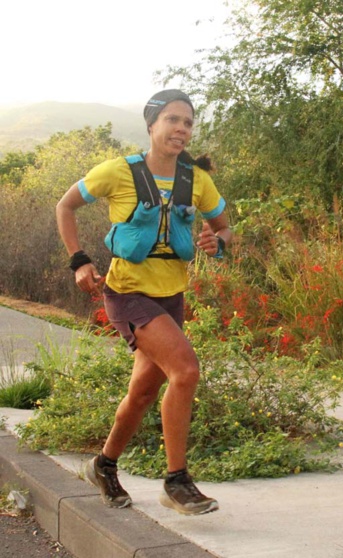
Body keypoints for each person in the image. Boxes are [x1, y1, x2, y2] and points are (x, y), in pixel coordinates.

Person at [55, 89, 232, 516]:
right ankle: (177, 481)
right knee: (186, 371)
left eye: (188, 123)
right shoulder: (118, 172)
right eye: (173, 120)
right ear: (151, 124)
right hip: (128, 293)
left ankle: (104, 464)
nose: (181, 129)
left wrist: (217, 242)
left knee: (143, 392)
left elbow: (225, 229)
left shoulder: (197, 180)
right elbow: (66, 205)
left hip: (170, 296)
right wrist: (79, 260)